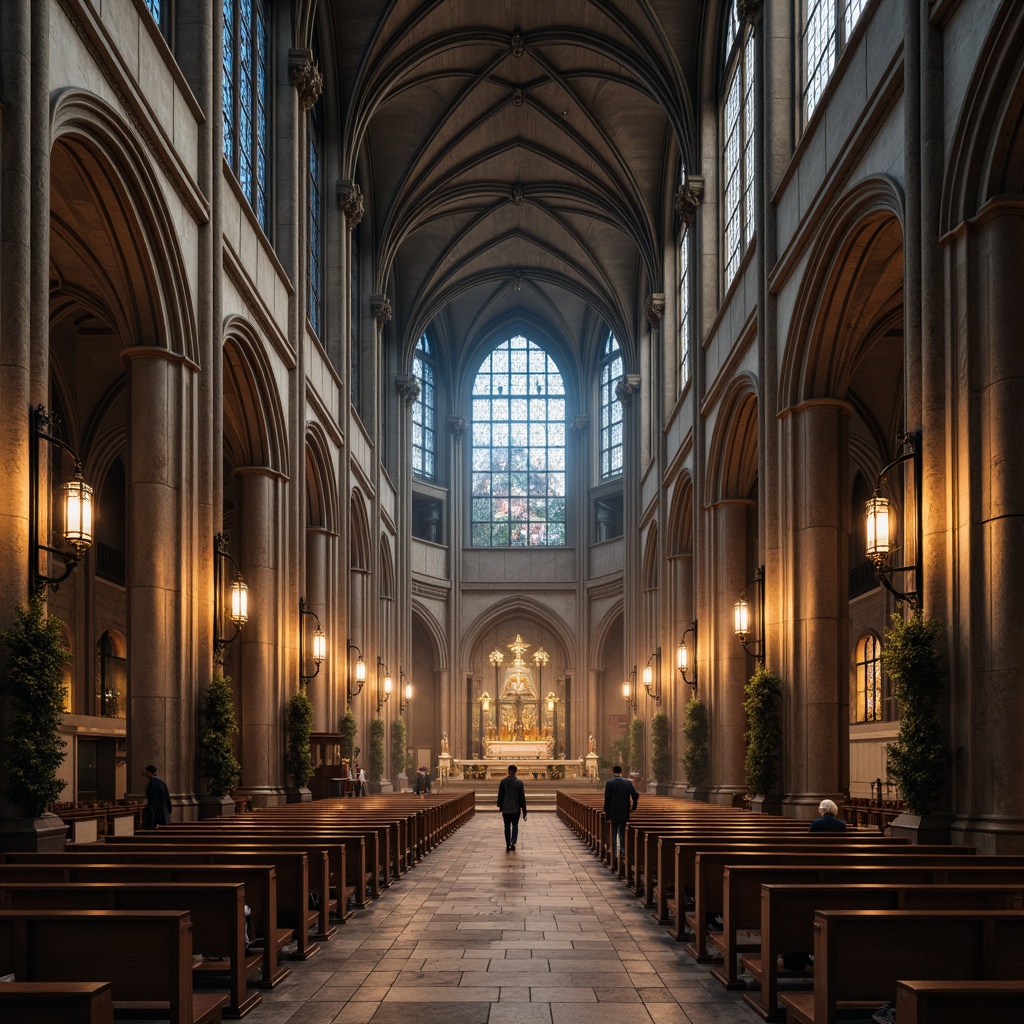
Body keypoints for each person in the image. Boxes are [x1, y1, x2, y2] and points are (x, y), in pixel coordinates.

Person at [604, 764, 639, 861]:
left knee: (613, 833)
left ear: (613, 772)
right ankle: (622, 850)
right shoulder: (627, 783)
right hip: (624, 811)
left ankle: (614, 852)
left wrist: (607, 814)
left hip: (613, 811)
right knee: (622, 833)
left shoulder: (609, 783)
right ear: (621, 772)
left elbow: (607, 799)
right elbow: (635, 794)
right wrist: (634, 805)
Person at [496, 764, 527, 851]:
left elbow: (500, 795)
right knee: (515, 825)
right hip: (516, 808)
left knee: (506, 826)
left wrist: (500, 806)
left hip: (506, 808)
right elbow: (522, 798)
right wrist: (524, 810)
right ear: (515, 772)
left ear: (508, 771)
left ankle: (507, 843)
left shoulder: (503, 781)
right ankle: (513, 842)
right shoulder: (519, 783)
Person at [142, 764, 171, 829]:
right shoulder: (162, 782)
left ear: (151, 773)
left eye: (146, 773)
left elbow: (153, 799)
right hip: (164, 811)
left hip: (157, 812)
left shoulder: (152, 783)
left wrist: (150, 811)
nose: (146, 775)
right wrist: (169, 809)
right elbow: (167, 797)